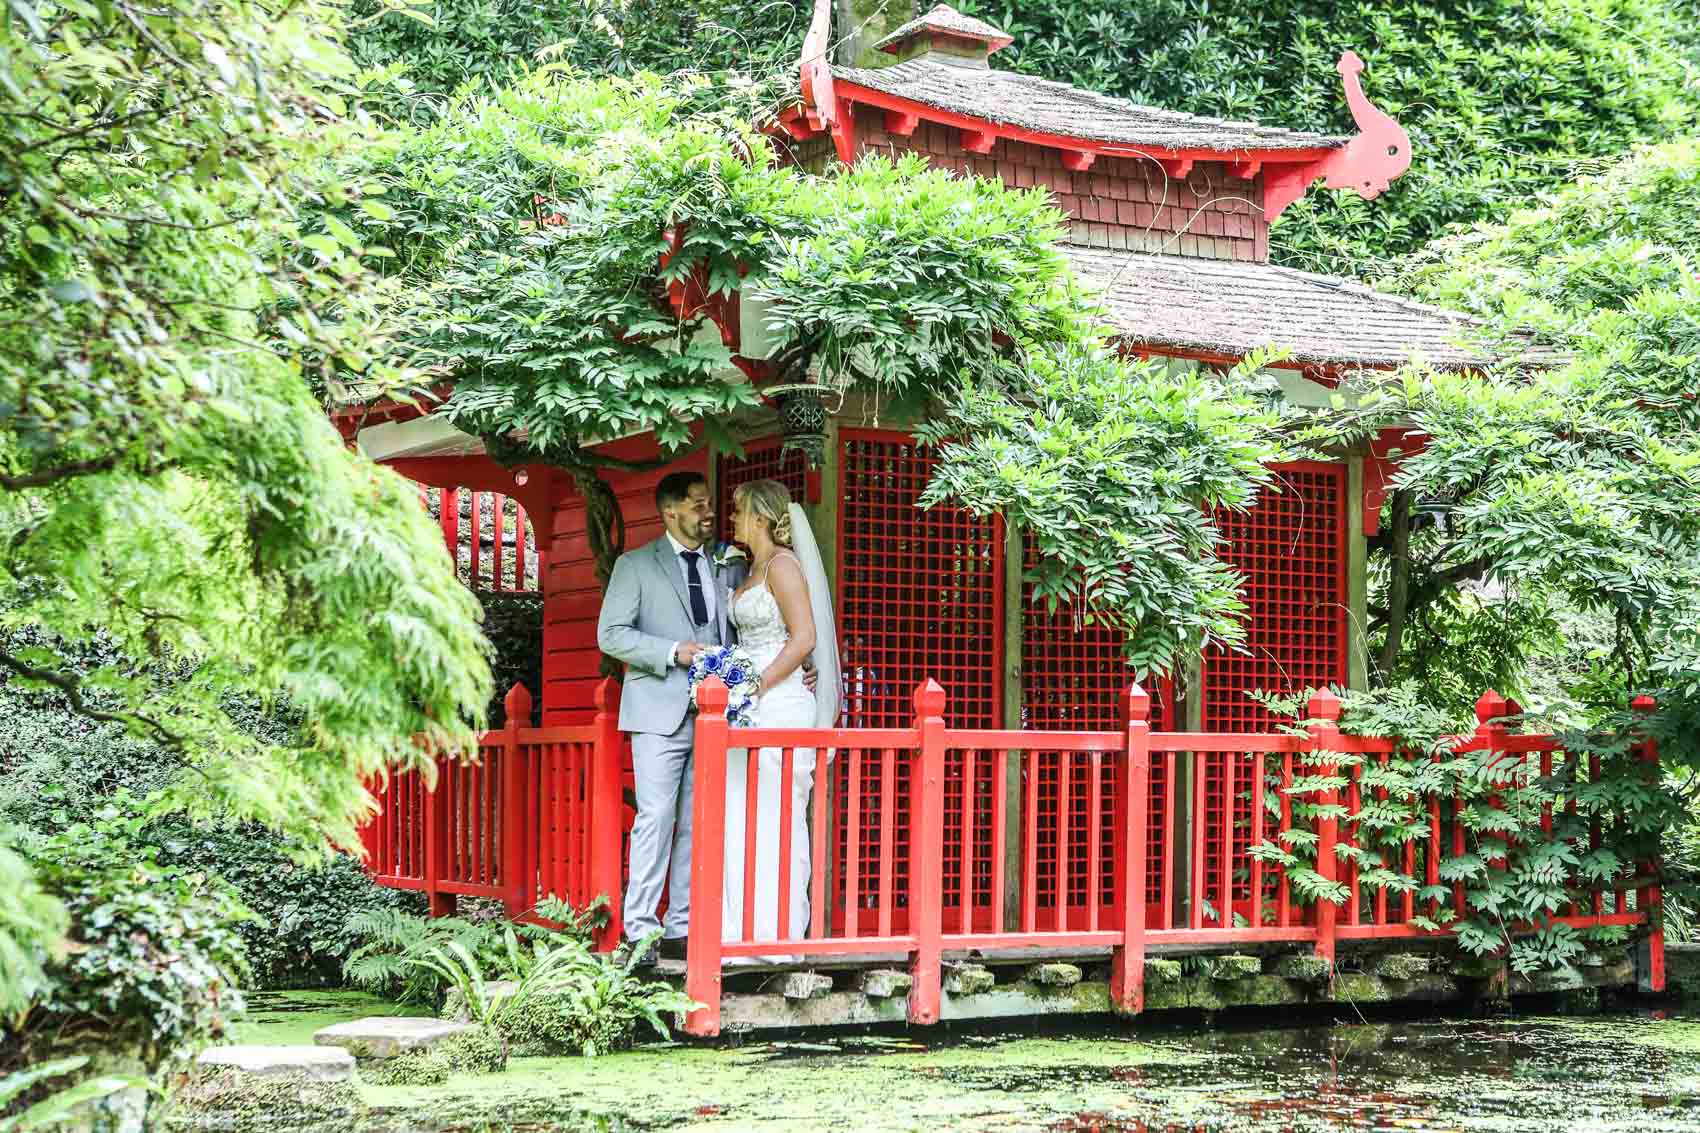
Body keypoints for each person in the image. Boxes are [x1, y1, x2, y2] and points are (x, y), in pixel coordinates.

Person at [596, 471, 743, 964]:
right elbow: (611, 635)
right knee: (656, 817)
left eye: (708, 503)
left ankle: (681, 925)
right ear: (670, 513)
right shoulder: (635, 566)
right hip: (657, 710)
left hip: (713, 710)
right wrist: (671, 651)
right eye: (698, 505)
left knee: (697, 822)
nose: (708, 513)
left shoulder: (727, 565)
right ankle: (640, 928)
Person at [723, 479, 841, 948]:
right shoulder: (748, 569)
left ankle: (776, 933)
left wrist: (758, 683)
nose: (732, 520)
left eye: (737, 512)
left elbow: (805, 637)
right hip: (745, 703)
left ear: (759, 518)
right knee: (741, 813)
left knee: (775, 814)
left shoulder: (784, 565)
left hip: (778, 700)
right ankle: (737, 932)